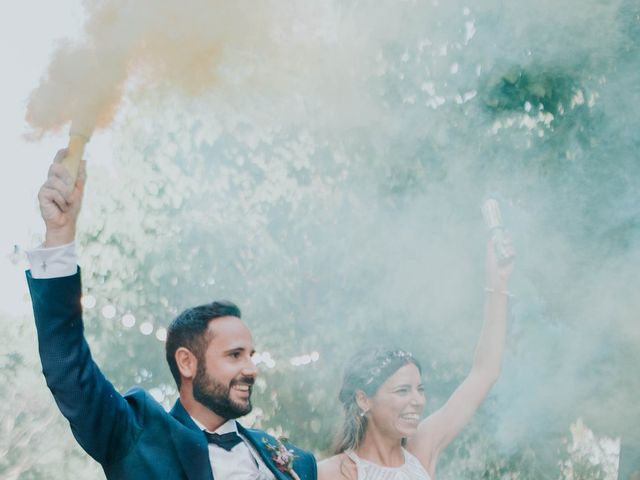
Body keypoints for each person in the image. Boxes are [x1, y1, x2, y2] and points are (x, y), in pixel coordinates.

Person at [26, 149, 316, 480]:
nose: (251, 369)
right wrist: (60, 234)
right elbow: (66, 366)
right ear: (187, 362)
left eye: (250, 355)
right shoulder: (135, 437)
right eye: (235, 355)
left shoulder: (292, 460)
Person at [318, 236, 515, 479]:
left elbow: (485, 372)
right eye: (402, 391)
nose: (418, 401)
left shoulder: (422, 448)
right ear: (364, 400)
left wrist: (498, 283)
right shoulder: (332, 472)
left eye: (419, 389)